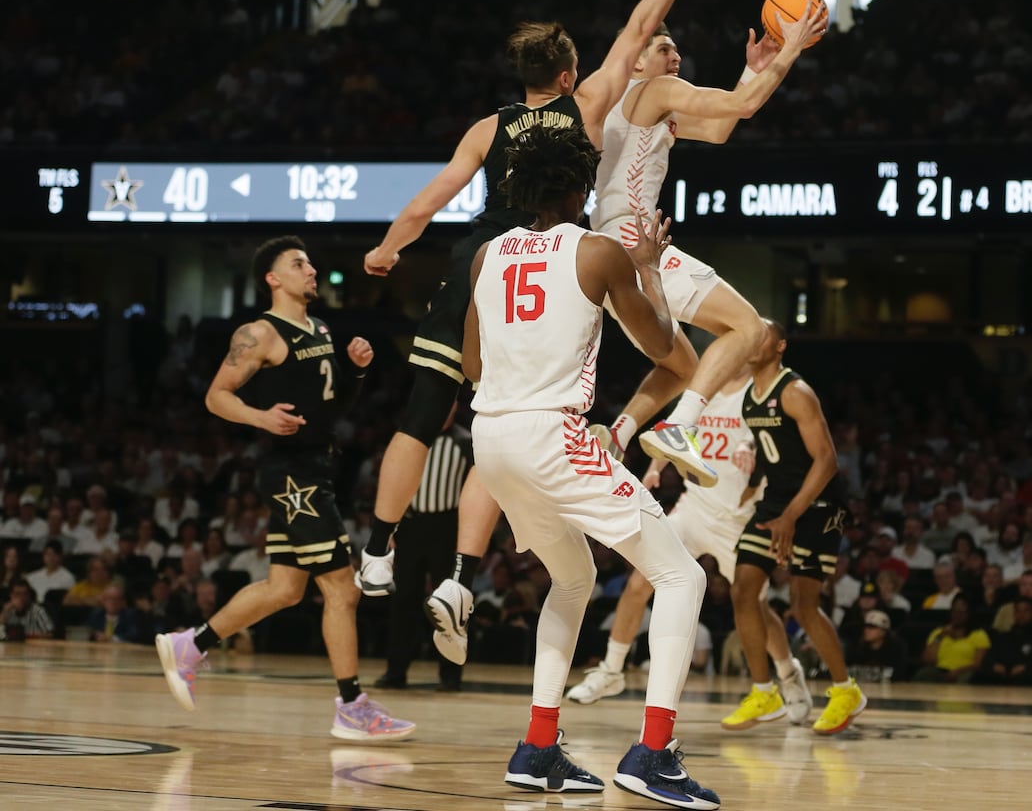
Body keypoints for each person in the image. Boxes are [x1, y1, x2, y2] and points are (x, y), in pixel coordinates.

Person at [354, 0, 728, 668]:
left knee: (429, 415)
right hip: (547, 261)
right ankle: (461, 574)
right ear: (564, 74)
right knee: (535, 405)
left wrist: (387, 251)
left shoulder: (487, 128)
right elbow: (641, 22)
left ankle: (378, 551)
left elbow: (430, 200)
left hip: (478, 261)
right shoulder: (585, 103)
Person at [460, 122, 718, 808]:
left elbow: (471, 365)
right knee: (681, 575)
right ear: (581, 186)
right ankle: (652, 754)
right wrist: (653, 267)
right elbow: (665, 346)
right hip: (551, 435)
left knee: (572, 581)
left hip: (490, 439)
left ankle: (538, 746)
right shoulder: (598, 251)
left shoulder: (487, 257)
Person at [154, 235, 414, 741]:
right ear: (273, 279)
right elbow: (215, 396)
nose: (311, 270)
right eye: (299, 264)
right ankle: (351, 705)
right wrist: (259, 417)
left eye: (311, 263)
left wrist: (357, 373)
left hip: (314, 464)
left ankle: (191, 646)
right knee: (342, 588)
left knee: (284, 589)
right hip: (294, 475)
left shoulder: (317, 326)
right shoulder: (259, 334)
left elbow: (332, 409)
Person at [588, 5, 827, 483]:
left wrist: (750, 70)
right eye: (663, 48)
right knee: (750, 328)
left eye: (677, 47)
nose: (676, 55)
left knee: (683, 367)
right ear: (635, 60)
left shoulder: (627, 102)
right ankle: (679, 428)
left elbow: (717, 130)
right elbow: (742, 107)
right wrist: (792, 49)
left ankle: (617, 435)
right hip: (635, 241)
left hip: (605, 250)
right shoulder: (654, 89)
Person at [565, 369, 813, 727]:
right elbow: (673, 433)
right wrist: (654, 469)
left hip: (738, 518)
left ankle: (789, 675)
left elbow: (774, 442)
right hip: (694, 508)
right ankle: (611, 670)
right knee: (639, 583)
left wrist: (750, 449)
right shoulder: (704, 389)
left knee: (756, 609)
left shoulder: (757, 393)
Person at [723, 319, 868, 735]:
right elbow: (773, 455)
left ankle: (845, 690)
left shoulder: (796, 391)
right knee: (743, 589)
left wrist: (791, 516)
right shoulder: (750, 397)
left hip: (819, 503)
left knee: (803, 606)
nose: (753, 339)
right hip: (777, 500)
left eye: (762, 334)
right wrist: (751, 488)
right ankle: (764, 691)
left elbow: (826, 460)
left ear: (780, 346)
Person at [374, 401, 469, 692]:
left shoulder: (465, 441)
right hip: (411, 526)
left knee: (450, 602)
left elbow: (476, 491)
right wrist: (388, 526)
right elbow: (392, 480)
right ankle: (396, 671)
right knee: (404, 600)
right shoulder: (410, 437)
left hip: (447, 527)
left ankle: (451, 675)